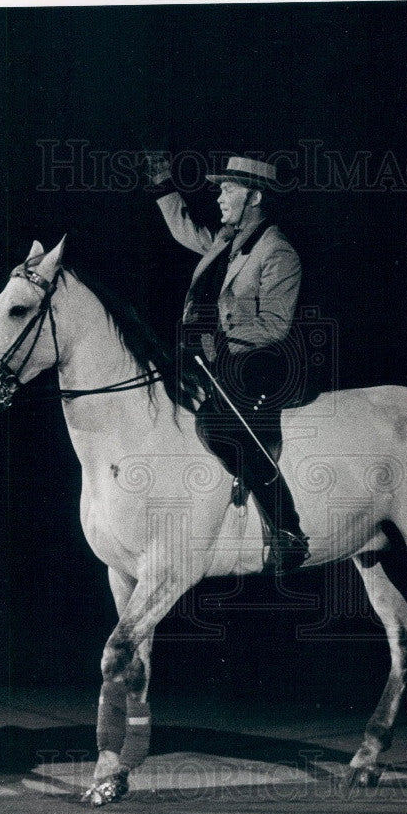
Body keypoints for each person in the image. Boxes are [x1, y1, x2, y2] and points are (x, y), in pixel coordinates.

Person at [148, 154, 310, 573]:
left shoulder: (279, 252)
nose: (219, 196)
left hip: (255, 363)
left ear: (253, 196)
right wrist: (162, 182)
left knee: (216, 425)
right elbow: (186, 231)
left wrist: (216, 334)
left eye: (228, 189)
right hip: (212, 357)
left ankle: (287, 529)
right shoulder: (227, 240)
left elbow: (274, 326)